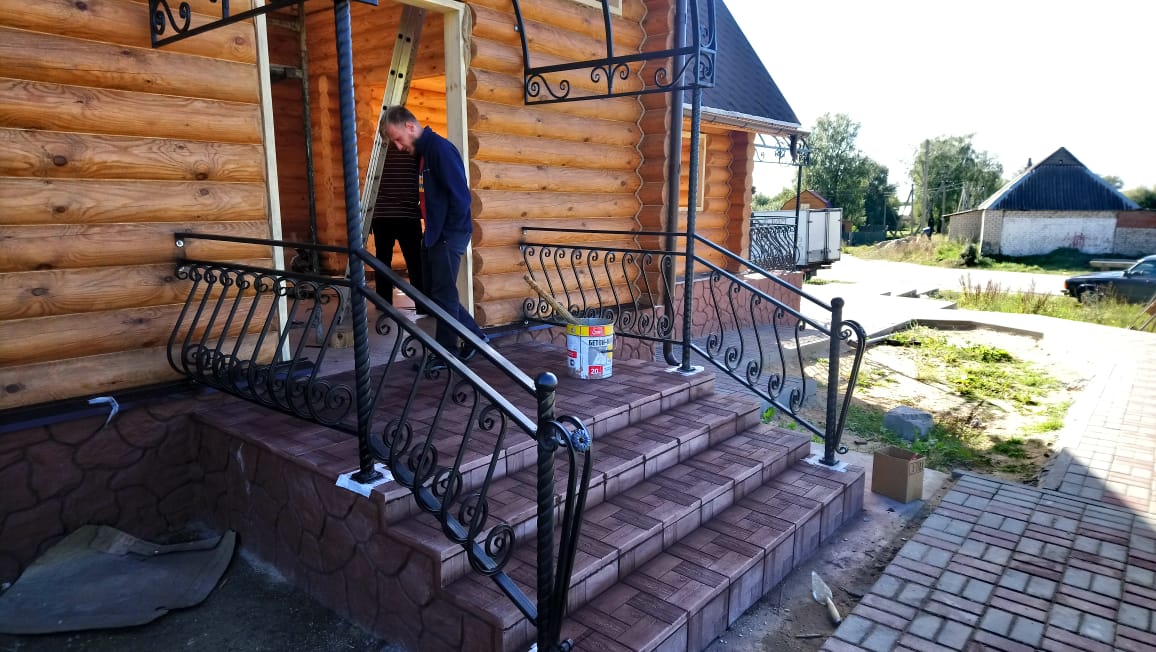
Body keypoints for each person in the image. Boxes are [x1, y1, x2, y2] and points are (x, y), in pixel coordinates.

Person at [382, 106, 488, 369]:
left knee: (443, 294)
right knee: (434, 292)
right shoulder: (424, 154)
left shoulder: (440, 150)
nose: (398, 147)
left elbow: (461, 198)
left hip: (448, 235)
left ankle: (446, 353)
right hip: (435, 235)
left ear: (410, 127)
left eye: (398, 139)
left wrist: (444, 236)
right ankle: (475, 337)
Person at [371, 142, 426, 314]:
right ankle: (422, 306)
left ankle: (383, 304)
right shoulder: (414, 149)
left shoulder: (381, 149)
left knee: (382, 262)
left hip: (382, 215)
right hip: (407, 215)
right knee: (416, 264)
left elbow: (373, 182)